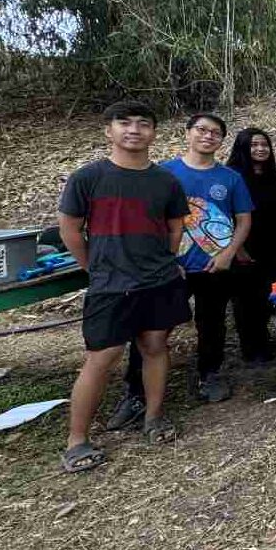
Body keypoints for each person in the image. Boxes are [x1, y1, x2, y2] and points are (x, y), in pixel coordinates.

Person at [58, 101, 191, 472]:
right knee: (102, 357)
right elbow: (70, 229)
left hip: (158, 280)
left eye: (143, 124)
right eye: (125, 123)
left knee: (155, 346)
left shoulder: (165, 181)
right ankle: (77, 439)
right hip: (110, 285)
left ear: (153, 132)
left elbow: (175, 228)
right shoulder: (89, 178)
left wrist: (164, 262)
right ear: (109, 131)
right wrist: (94, 267)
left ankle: (153, 417)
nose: (134, 130)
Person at [162, 113, 253, 402]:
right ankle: (138, 387)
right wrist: (166, 258)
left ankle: (210, 374)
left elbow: (243, 220)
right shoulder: (165, 174)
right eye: (202, 130)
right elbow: (152, 220)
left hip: (214, 264)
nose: (208, 136)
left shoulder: (230, 178)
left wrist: (228, 254)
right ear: (187, 133)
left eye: (215, 133)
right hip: (170, 264)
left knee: (211, 322)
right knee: (156, 325)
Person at [226, 127, 276, 364]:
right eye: (254, 145)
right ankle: (252, 350)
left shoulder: (274, 177)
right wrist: (237, 248)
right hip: (244, 248)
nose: (261, 149)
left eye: (264, 145)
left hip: (272, 246)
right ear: (243, 148)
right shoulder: (233, 176)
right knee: (246, 300)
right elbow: (229, 216)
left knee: (267, 297)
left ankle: (264, 342)